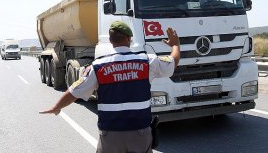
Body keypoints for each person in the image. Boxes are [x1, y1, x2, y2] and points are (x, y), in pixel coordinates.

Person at [40, 21, 180, 153]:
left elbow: (74, 91)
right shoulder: (147, 61)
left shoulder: (98, 66)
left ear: (111, 41)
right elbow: (172, 62)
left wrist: (57, 107)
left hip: (110, 136)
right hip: (140, 134)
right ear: (129, 38)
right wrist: (175, 45)